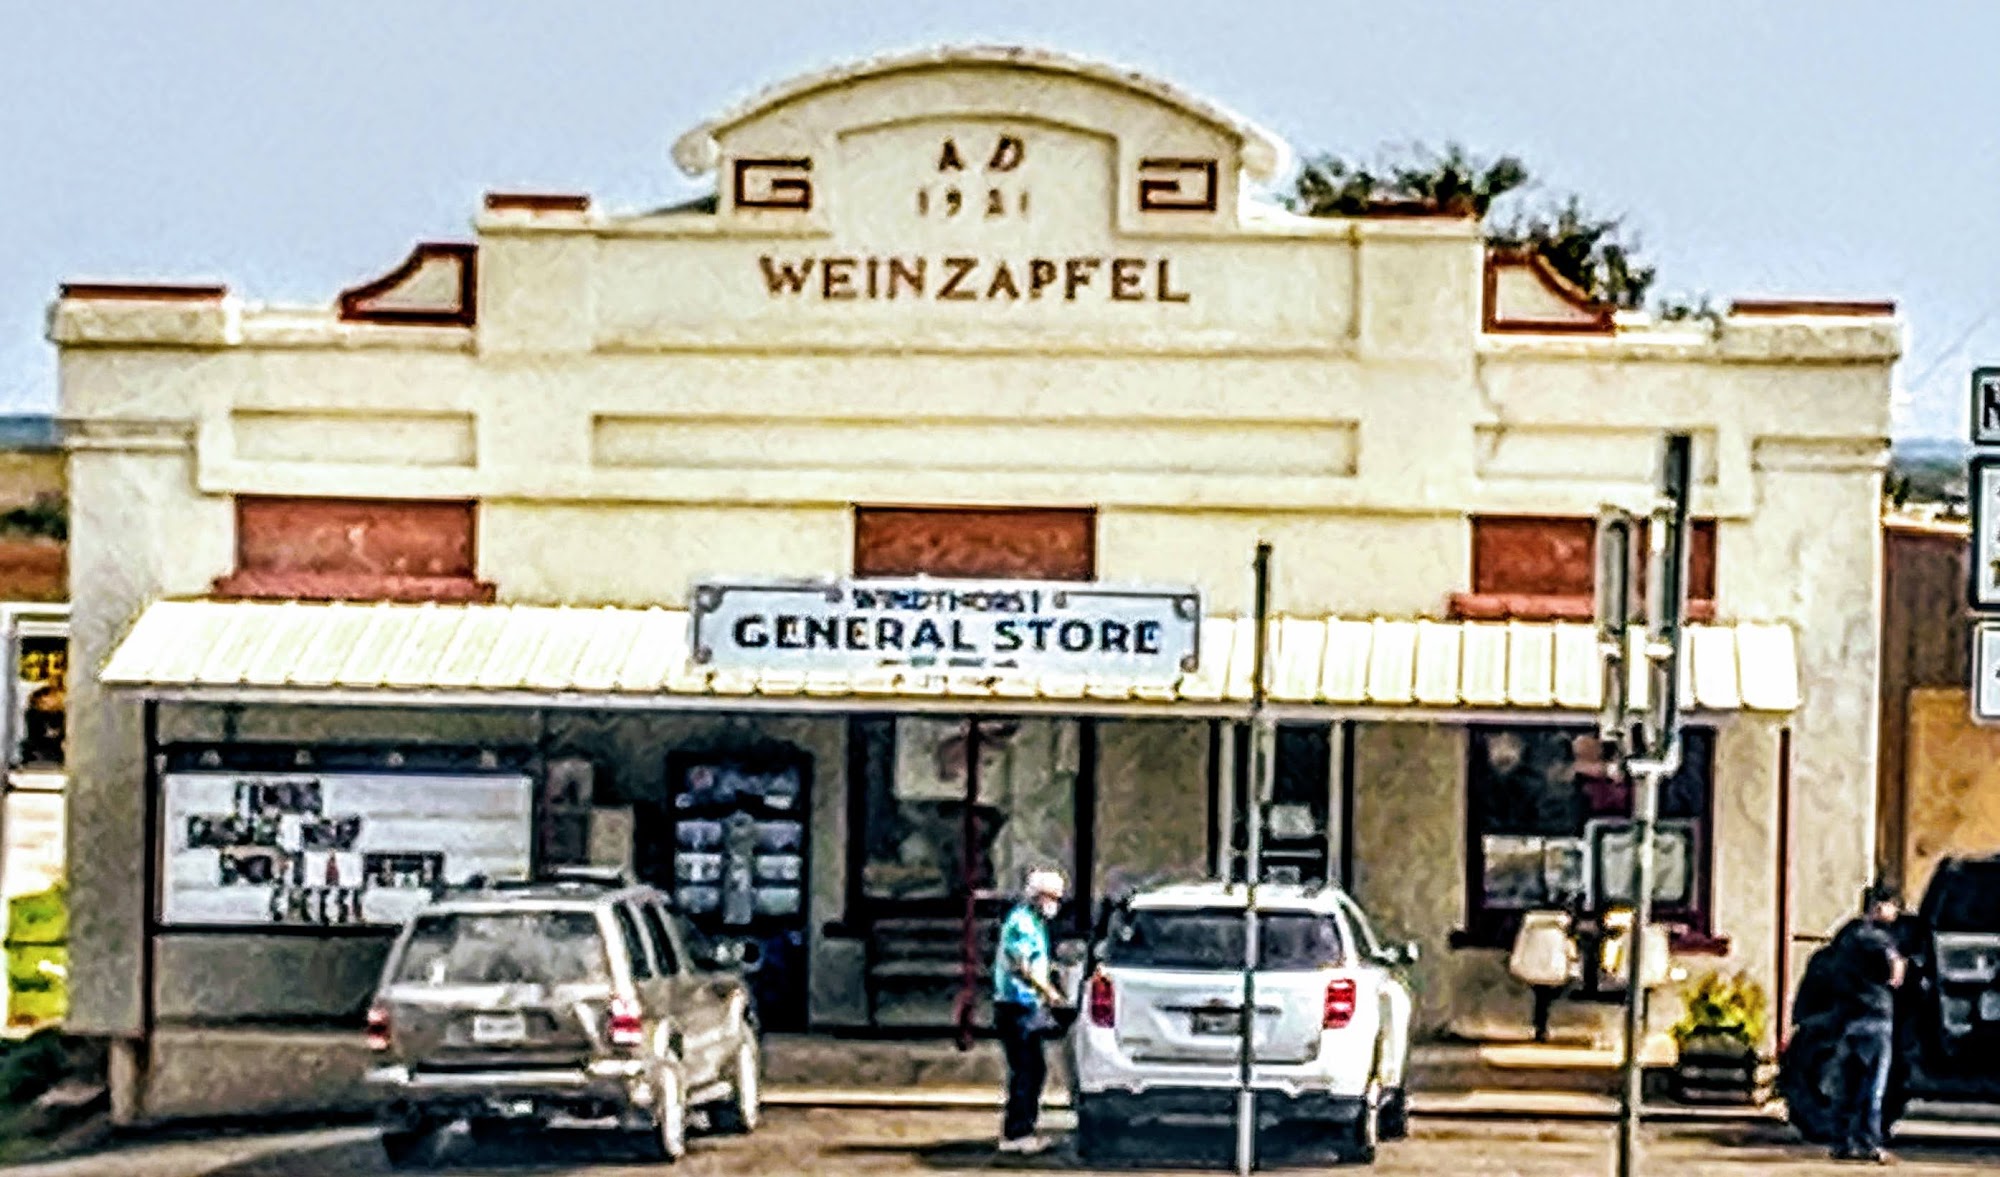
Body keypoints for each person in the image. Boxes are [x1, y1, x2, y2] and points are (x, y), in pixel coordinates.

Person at [1827, 881, 1906, 1164]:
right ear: (1877, 907)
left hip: (1847, 1018)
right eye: (1892, 905)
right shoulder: (1879, 938)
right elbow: (1895, 971)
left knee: (1847, 1085)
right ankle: (1869, 1144)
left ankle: (1841, 1142)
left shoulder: (1847, 935)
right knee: (1873, 1088)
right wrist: (1897, 974)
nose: (1896, 911)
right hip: (1875, 1018)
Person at [993, 867, 1068, 1154]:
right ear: (1038, 896)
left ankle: (1023, 1128)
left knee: (1033, 1069)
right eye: (1053, 898)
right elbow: (1021, 966)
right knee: (1026, 1069)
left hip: (1027, 1005)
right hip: (1016, 1006)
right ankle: (1017, 1133)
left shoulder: (1034, 922)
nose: (1056, 904)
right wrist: (1049, 992)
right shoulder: (1022, 923)